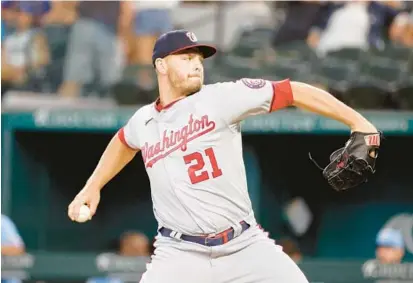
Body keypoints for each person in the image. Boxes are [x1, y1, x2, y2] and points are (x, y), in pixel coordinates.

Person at [68, 30, 378, 283]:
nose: (196, 64)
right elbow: (124, 141)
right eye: (186, 58)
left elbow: (293, 91)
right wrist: (92, 185)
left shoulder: (221, 97)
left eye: (199, 59)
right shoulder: (143, 120)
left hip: (243, 245)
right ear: (161, 65)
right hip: (179, 253)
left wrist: (358, 122)